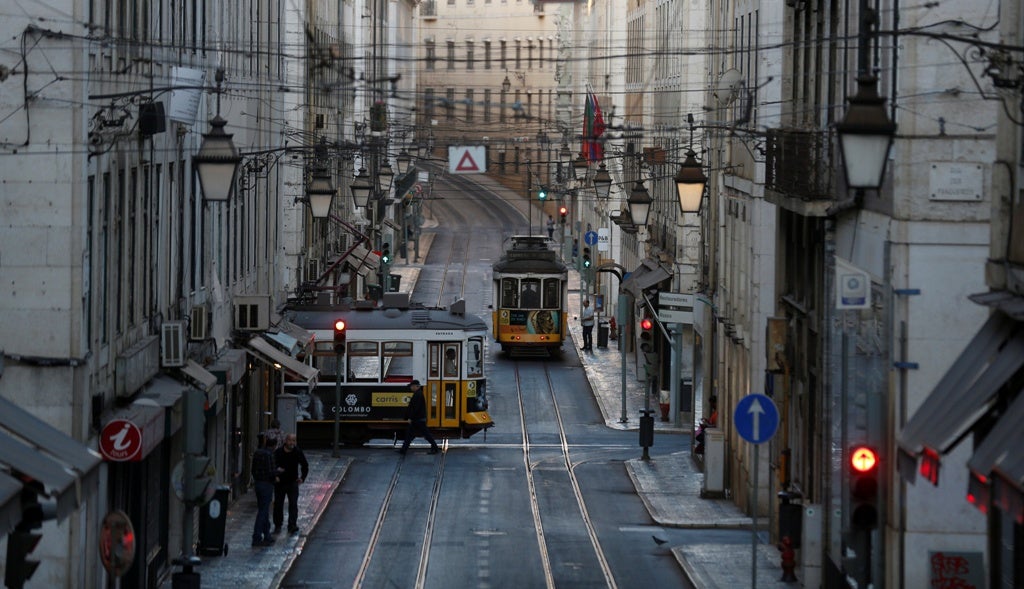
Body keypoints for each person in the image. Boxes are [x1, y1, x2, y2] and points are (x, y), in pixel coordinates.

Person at [273, 433, 309, 535]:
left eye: (294, 441)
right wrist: (276, 473)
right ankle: (278, 524)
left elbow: (305, 465)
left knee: (293, 504)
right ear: (285, 441)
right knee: (278, 504)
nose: (292, 443)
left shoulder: (297, 452)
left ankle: (292, 524)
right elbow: (272, 464)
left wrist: (302, 478)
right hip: (280, 482)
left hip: (292, 482)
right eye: (290, 440)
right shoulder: (278, 452)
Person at [398, 380, 440, 456]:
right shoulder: (418, 394)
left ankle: (435, 448)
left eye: (411, 386)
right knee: (411, 435)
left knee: (423, 435)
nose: (410, 388)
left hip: (418, 420)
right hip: (419, 419)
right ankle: (403, 450)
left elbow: (415, 408)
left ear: (416, 386)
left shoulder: (418, 395)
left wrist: (410, 417)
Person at [251, 435, 279, 547]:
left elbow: (253, 469)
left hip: (258, 483)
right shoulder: (269, 455)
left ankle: (267, 535)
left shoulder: (257, 453)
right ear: (274, 445)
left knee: (264, 509)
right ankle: (257, 536)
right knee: (263, 511)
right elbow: (271, 472)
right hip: (267, 484)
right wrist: (278, 472)